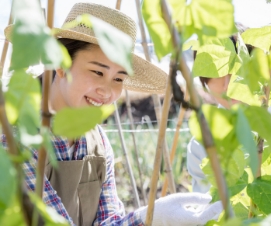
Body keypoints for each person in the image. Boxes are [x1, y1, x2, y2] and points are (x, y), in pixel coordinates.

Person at [4, 3, 222, 226]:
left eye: (119, 78)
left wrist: (148, 218)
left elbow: (108, 221)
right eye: (98, 72)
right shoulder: (14, 136)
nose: (107, 91)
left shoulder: (96, 141)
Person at [187, 33, 271, 193]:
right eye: (217, 74)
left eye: (237, 69)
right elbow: (209, 210)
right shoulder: (201, 146)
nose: (228, 85)